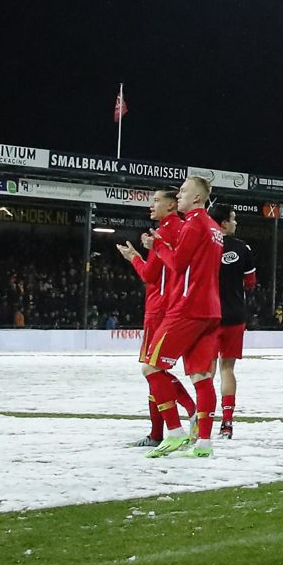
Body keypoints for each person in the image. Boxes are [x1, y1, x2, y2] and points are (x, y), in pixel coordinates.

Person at [144, 177, 225, 457]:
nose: (178, 195)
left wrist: (158, 246)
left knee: (152, 368)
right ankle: (204, 443)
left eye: (183, 191)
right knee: (201, 376)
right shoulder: (215, 229)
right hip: (211, 310)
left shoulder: (194, 223)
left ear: (198, 199)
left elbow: (178, 265)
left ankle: (175, 433)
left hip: (188, 309)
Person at [115, 193, 185, 447]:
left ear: (171, 205)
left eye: (156, 201)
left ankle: (166, 430)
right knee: (159, 371)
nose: (151, 205)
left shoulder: (163, 234)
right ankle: (161, 431)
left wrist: (133, 258)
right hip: (177, 305)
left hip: (159, 309)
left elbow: (150, 274)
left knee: (153, 371)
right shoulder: (182, 229)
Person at [211, 208, 258, 438]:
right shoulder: (242, 248)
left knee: (205, 371)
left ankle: (202, 422)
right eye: (233, 219)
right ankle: (227, 423)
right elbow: (250, 282)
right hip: (234, 315)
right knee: (227, 369)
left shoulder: (204, 245)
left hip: (208, 316)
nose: (236, 223)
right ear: (224, 224)